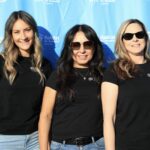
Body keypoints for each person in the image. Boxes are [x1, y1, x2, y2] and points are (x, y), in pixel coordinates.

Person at [39, 24, 105, 150]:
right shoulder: (57, 75)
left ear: (94, 47)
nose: (82, 50)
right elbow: (45, 115)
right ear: (69, 48)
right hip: (62, 146)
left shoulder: (105, 76)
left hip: (97, 145)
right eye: (76, 45)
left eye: (87, 44)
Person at [0, 10, 51, 150]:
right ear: (10, 35)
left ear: (33, 32)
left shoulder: (44, 65)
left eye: (27, 30)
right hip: (4, 139)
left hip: (36, 138)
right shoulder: (2, 62)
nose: (23, 36)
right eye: (16, 32)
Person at [101, 19, 150, 150]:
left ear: (145, 37)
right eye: (128, 36)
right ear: (121, 41)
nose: (135, 39)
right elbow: (109, 119)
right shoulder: (114, 71)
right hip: (128, 145)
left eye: (139, 34)